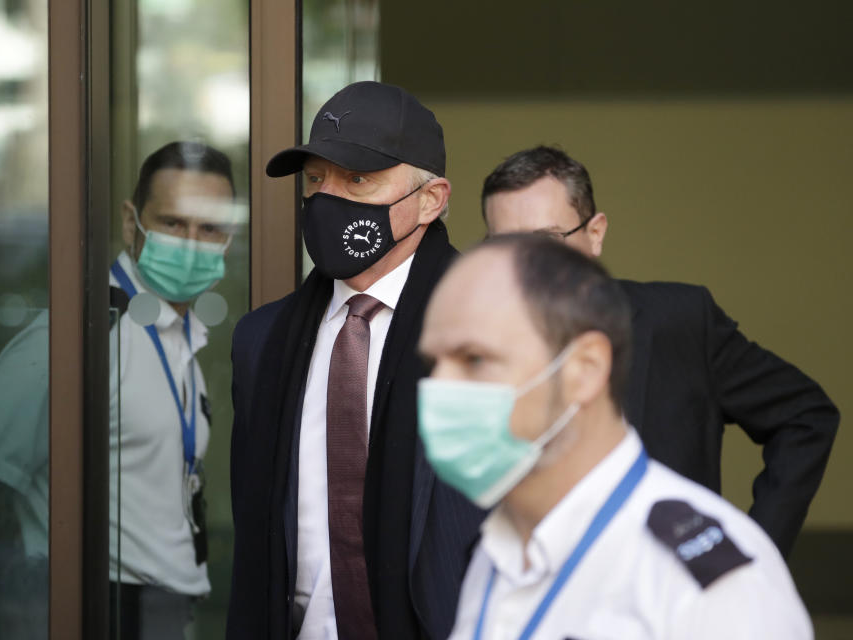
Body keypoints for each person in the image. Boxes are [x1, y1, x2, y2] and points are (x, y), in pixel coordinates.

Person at [417, 233, 814, 639]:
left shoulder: (702, 584)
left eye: (476, 359)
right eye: (434, 362)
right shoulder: (496, 551)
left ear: (585, 370)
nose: (440, 387)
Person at [0, 141, 238, 639]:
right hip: (99, 608)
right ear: (130, 223)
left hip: (162, 607)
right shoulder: (76, 339)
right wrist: (21, 588)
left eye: (209, 229)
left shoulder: (177, 336)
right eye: (172, 223)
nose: (190, 243)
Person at [480, 145, 839, 557]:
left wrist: (755, 552)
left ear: (595, 234)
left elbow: (805, 415)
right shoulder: (472, 352)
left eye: (546, 240)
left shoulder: (679, 322)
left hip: (669, 599)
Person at [228, 81, 485, 639]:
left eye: (358, 179)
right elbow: (255, 538)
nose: (327, 198)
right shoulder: (261, 342)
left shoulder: (492, 328)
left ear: (431, 199)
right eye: (316, 178)